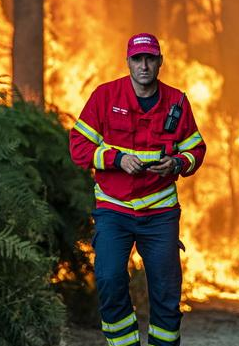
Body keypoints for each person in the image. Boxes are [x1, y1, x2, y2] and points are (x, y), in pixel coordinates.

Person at [70, 33, 206, 346]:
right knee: (108, 277)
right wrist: (116, 159)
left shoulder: (177, 102)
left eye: (150, 59)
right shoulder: (105, 96)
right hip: (114, 210)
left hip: (160, 213)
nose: (144, 65)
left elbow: (196, 149)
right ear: (128, 62)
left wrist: (176, 164)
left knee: (166, 290)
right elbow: (78, 146)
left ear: (160, 62)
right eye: (137, 59)